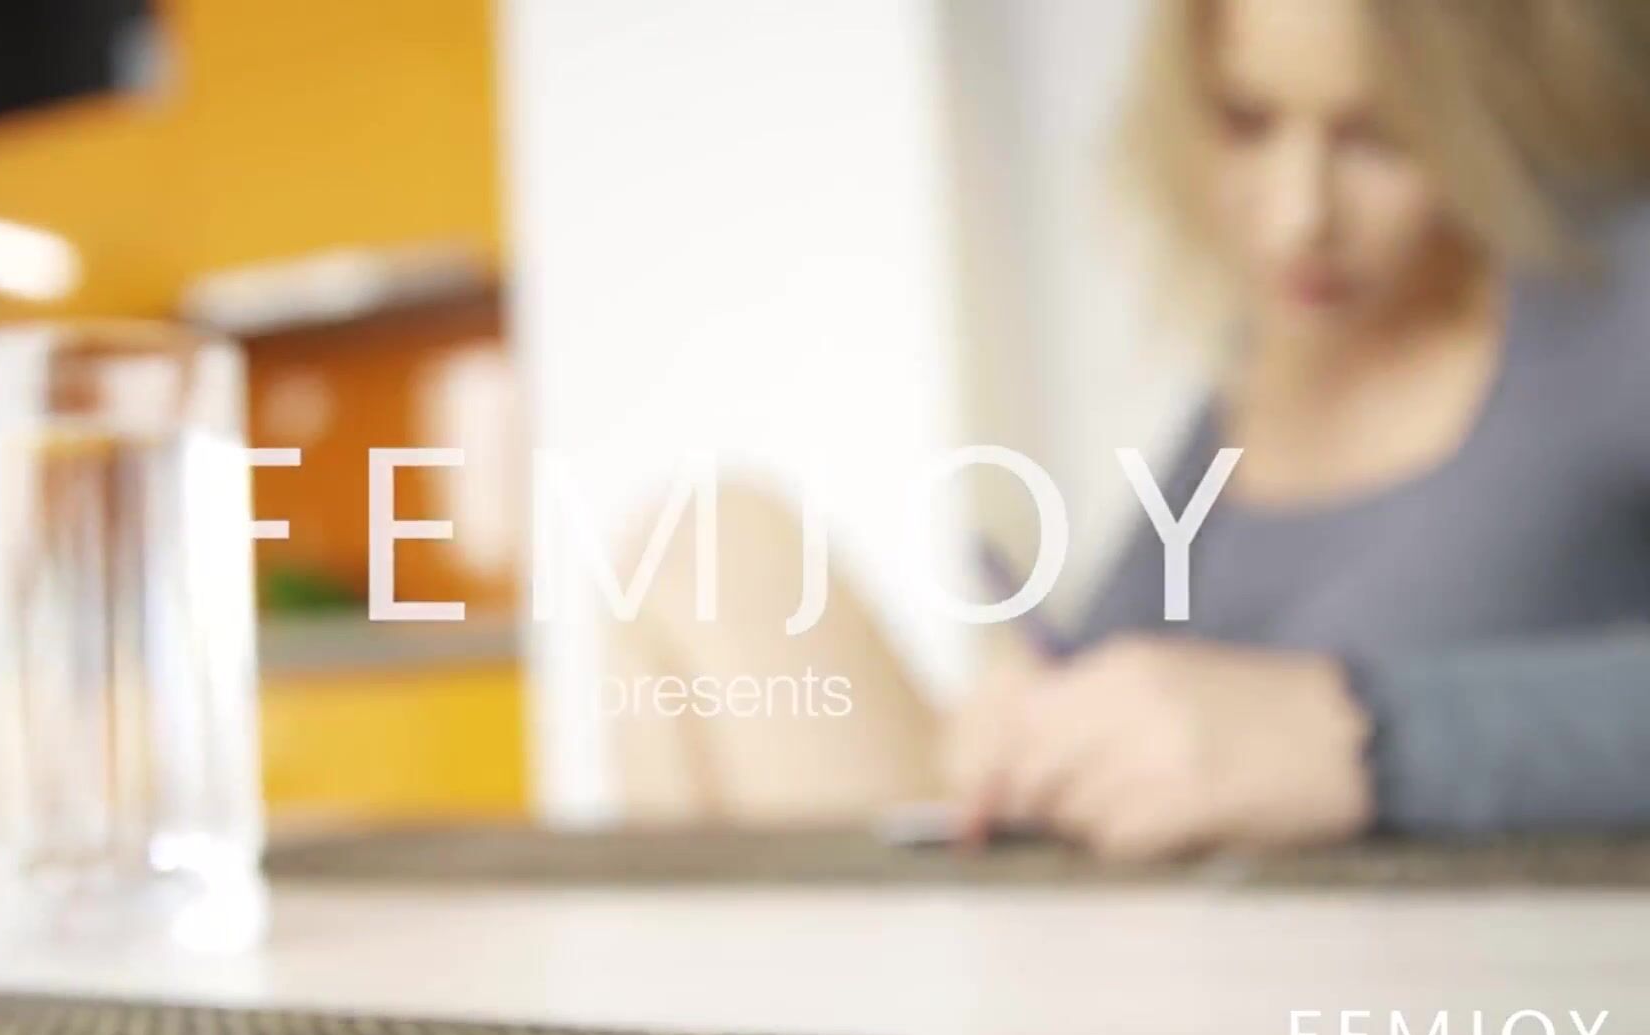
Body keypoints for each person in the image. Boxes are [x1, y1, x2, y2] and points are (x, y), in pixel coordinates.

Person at [608, 0, 1650, 857]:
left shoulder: (1608, 295)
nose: (1300, 213)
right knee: (706, 546)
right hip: (1123, 940)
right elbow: (1112, 663)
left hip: (1358, 989)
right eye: (1246, 122)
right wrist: (1033, 722)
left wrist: (1366, 738)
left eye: (1379, 137)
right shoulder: (1271, 359)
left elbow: (1310, 735)